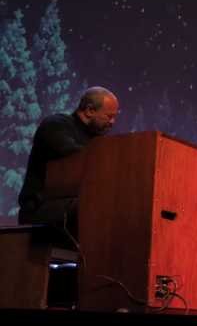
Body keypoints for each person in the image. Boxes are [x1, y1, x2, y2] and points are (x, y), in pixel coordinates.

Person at [17, 86, 120, 235]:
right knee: (97, 205)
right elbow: (71, 153)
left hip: (73, 204)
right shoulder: (56, 125)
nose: (112, 122)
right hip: (40, 207)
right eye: (109, 116)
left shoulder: (97, 139)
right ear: (89, 110)